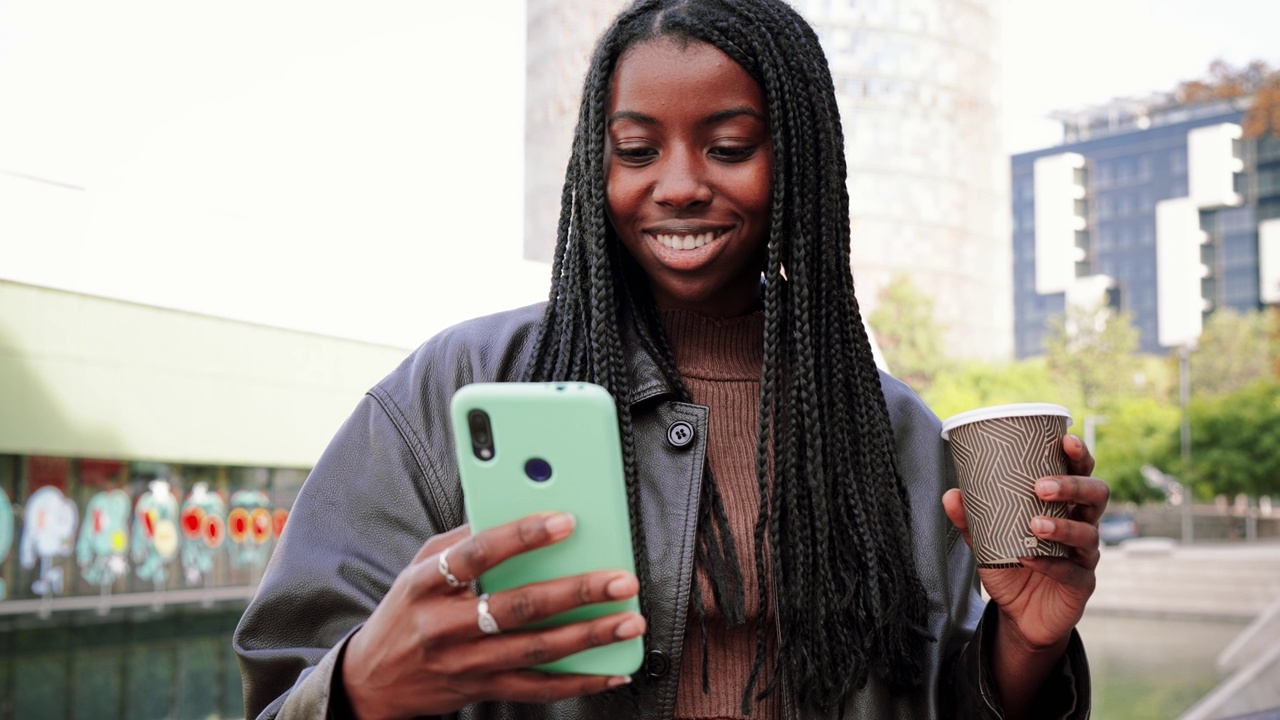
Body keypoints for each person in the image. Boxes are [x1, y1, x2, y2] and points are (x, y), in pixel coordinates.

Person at [234, 0, 1108, 718]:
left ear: (798, 164)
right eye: (636, 150)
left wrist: (1027, 646)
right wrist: (362, 685)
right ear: (593, 166)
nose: (680, 183)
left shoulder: (898, 432)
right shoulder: (459, 387)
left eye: (729, 146)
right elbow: (281, 691)